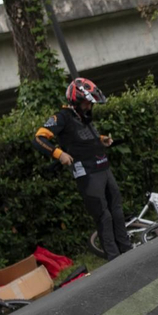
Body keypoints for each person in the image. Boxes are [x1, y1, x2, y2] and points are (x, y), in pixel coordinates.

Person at [33, 77, 132, 260]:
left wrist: (101, 139)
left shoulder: (83, 117)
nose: (89, 107)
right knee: (104, 216)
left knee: (117, 211)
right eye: (87, 103)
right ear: (76, 101)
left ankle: (128, 250)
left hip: (104, 168)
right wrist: (58, 154)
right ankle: (116, 259)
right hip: (87, 174)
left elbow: (82, 136)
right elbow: (39, 139)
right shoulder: (61, 117)